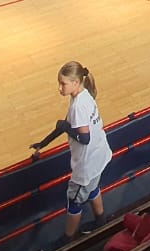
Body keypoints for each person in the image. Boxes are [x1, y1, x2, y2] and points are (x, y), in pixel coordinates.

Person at [27, 61, 111, 241]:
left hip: (86, 164)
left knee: (74, 201)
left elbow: (84, 138)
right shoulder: (83, 95)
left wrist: (65, 127)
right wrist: (43, 143)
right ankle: (101, 220)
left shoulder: (78, 106)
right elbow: (65, 125)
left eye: (63, 84)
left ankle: (68, 240)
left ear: (75, 82)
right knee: (92, 188)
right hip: (99, 155)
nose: (59, 88)